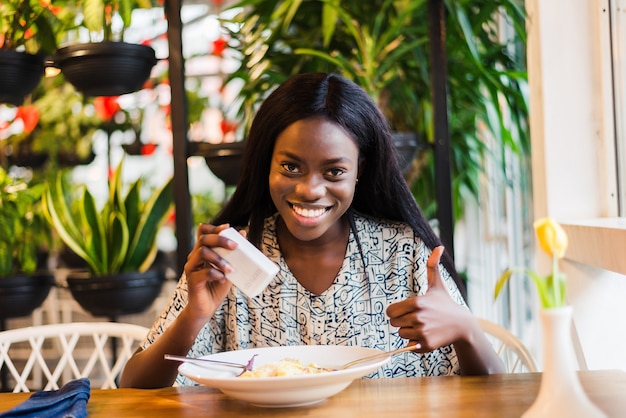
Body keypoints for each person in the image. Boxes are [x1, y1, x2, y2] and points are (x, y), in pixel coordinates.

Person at [120, 73, 504, 388]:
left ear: (361, 171)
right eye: (290, 167)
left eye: (334, 171)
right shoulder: (232, 258)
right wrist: (195, 314)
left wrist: (465, 328)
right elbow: (132, 388)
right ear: (265, 162)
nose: (309, 189)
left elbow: (496, 390)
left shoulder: (402, 253)